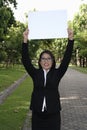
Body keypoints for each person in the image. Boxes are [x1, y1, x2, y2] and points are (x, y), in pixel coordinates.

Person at [22, 28, 74, 130]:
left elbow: (67, 59)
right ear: (40, 61)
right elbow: (25, 60)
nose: (46, 61)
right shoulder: (36, 74)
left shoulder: (57, 73)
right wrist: (25, 40)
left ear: (52, 61)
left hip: (53, 115)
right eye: (43, 58)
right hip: (37, 115)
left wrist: (71, 40)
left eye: (49, 58)